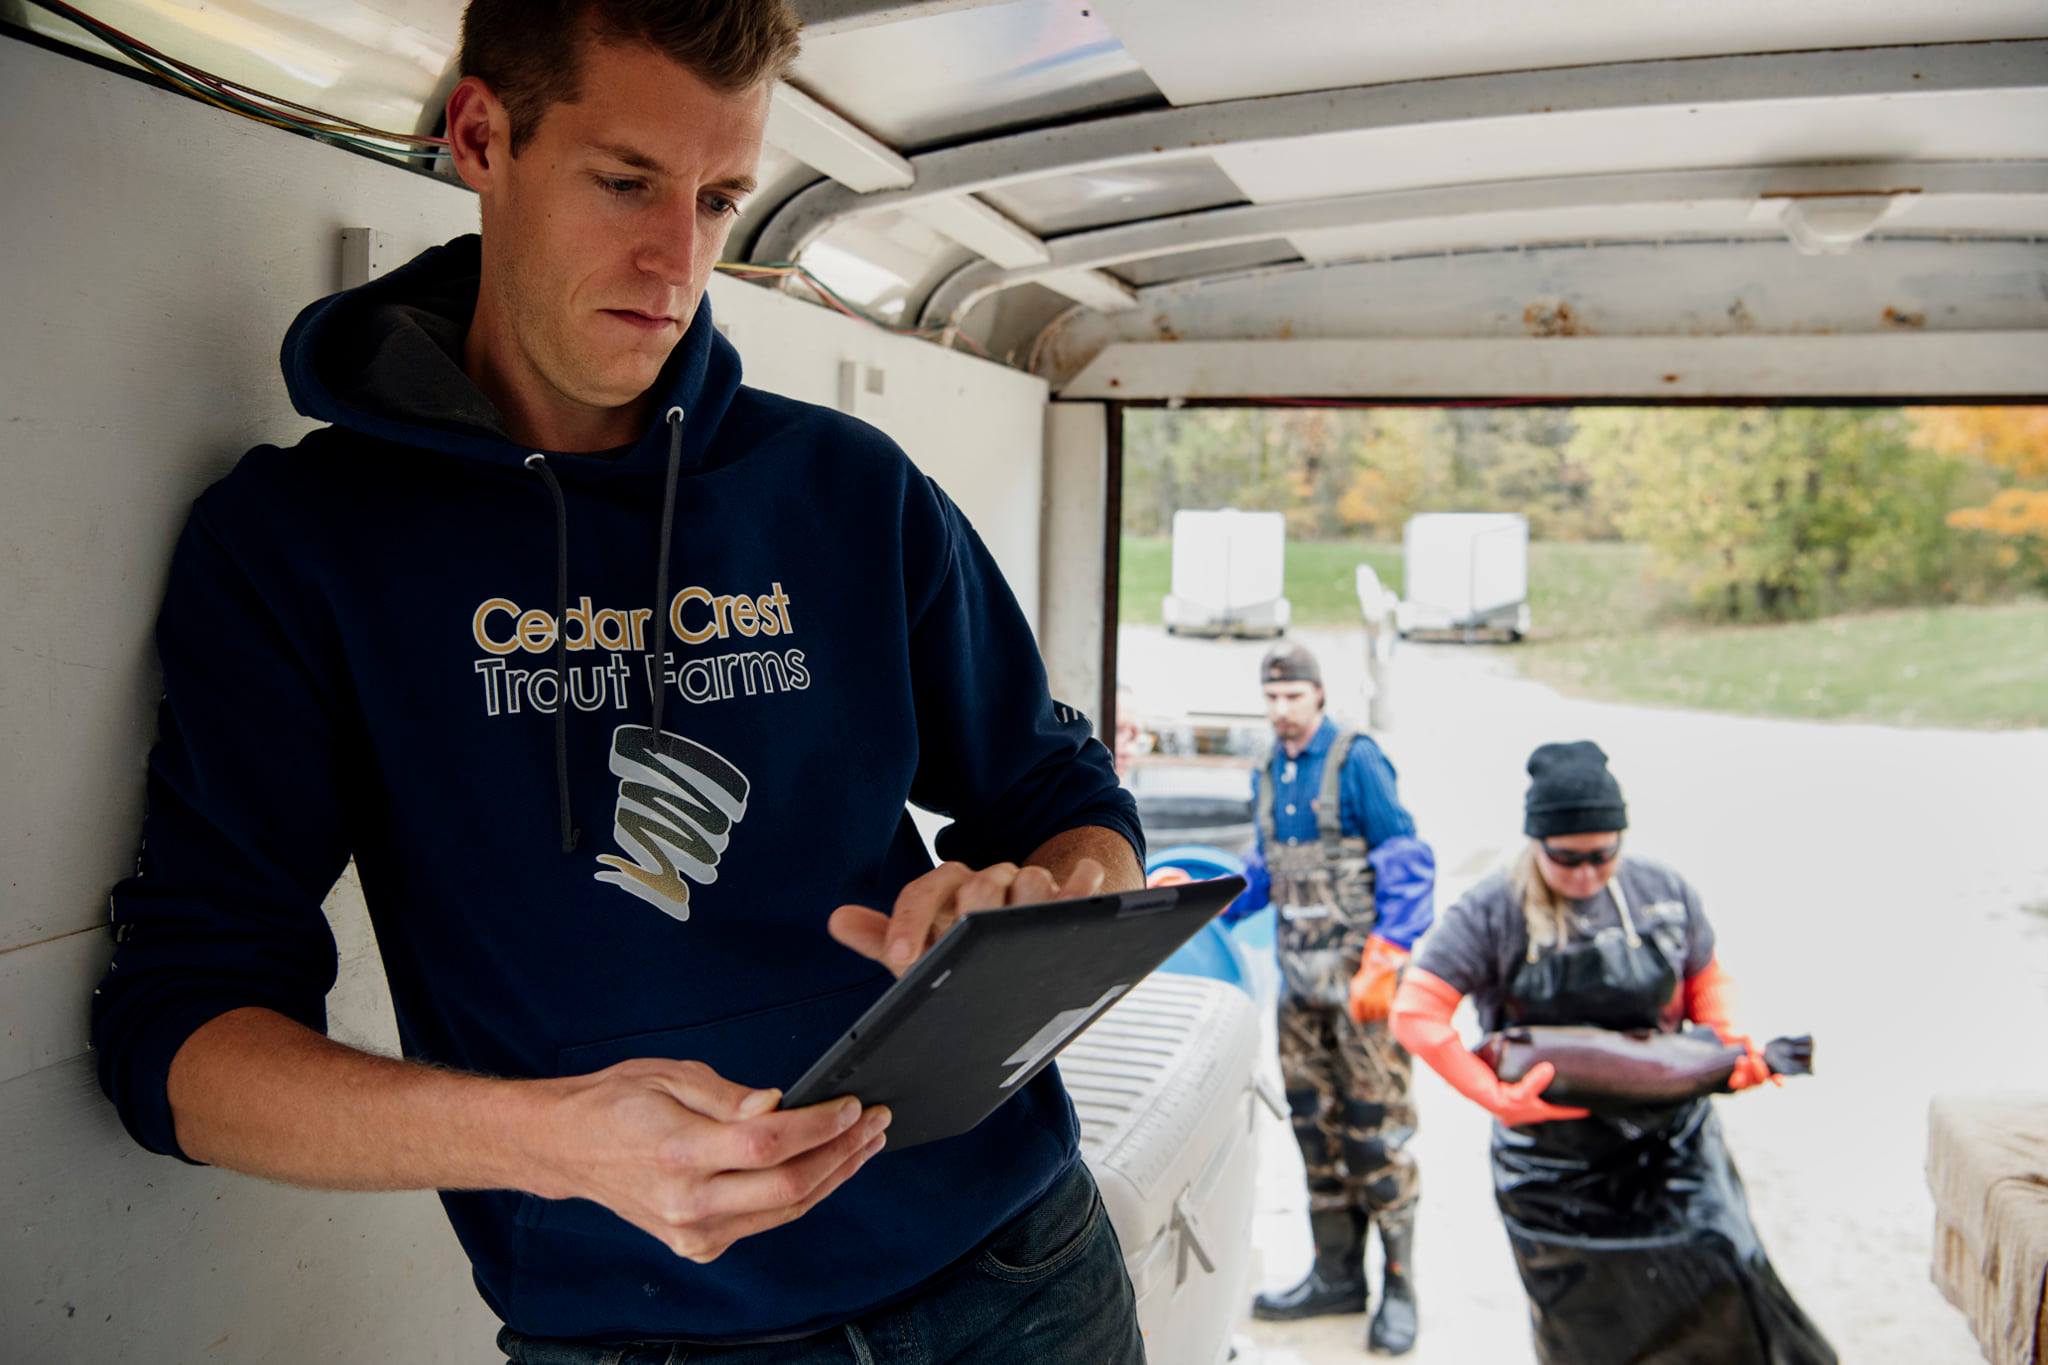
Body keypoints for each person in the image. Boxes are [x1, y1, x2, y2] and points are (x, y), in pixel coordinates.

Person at [87, 4, 1148, 1362]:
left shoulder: (847, 491)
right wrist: (546, 1141)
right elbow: (178, 1039)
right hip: (641, 1336)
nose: (677, 259)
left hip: (1021, 1273)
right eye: (626, 180)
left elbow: (1069, 804)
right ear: (484, 136)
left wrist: (1038, 904)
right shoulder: (302, 548)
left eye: (718, 199)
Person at [1390, 741, 1836, 1365]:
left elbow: (1705, 978)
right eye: (1566, 859)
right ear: (1536, 844)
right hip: (1554, 1170)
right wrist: (1493, 1095)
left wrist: (1725, 1038)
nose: (1585, 875)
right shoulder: (1490, 911)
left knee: (1728, 1279)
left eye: (1603, 856)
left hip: (1670, 1148)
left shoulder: (1662, 889)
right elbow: (1416, 1013)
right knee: (1588, 1331)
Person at [1232, 642, 1436, 1356]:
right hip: (1298, 991)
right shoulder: (1265, 769)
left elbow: (1406, 861)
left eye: (1294, 695)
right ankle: (1336, 1276)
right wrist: (1205, 898)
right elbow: (1265, 873)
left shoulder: (1356, 761)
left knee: (1374, 1129)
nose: (1281, 709)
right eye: (1272, 696)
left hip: (1364, 988)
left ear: (1319, 695)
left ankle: (1401, 1289)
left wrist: (1388, 956)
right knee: (1314, 1131)